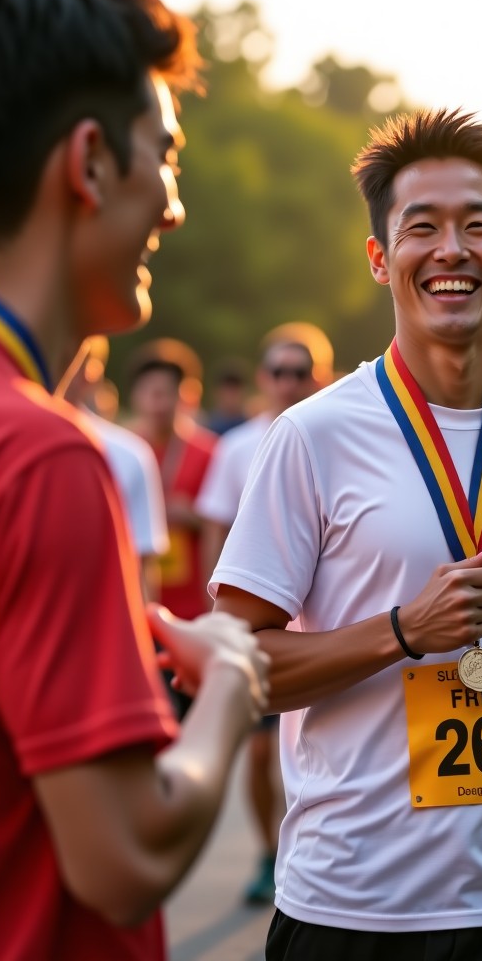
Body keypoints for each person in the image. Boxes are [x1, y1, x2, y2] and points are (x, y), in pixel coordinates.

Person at [211, 108, 482, 960]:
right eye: (422, 228)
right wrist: (403, 632)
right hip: (354, 906)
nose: (451, 250)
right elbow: (240, 666)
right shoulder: (311, 437)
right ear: (380, 258)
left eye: (477, 225)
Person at [0, 0, 268, 961]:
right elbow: (123, 856)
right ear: (87, 164)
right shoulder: (42, 457)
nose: (172, 204)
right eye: (161, 155)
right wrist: (228, 681)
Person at [197, 320, 335, 905]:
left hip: (324, 629)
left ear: (318, 376)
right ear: (262, 378)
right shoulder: (234, 449)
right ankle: (267, 850)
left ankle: (313, 849)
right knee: (257, 752)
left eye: (299, 372)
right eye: (278, 372)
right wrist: (218, 615)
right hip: (262, 622)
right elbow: (215, 527)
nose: (288, 382)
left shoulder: (336, 436)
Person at [61, 335, 169, 601]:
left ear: (94, 373)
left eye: (72, 357)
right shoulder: (1, 442)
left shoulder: (129, 454)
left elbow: (143, 564)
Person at [127, 338, 218, 623]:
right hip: (137, 599)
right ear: (135, 396)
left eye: (166, 393)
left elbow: (227, 523)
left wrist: (192, 516)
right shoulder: (124, 451)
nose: (158, 402)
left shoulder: (210, 452)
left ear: (185, 395)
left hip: (196, 603)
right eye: (150, 392)